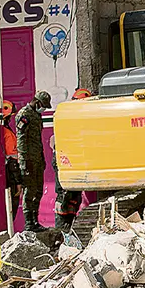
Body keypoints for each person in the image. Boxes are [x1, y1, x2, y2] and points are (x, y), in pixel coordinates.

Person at [52, 88, 91, 231]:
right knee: (64, 196)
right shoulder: (67, 117)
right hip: (65, 159)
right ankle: (60, 232)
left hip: (74, 160)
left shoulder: (77, 117)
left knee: (74, 197)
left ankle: (68, 229)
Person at [15, 91, 51, 232]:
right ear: (37, 102)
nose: (43, 108)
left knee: (38, 190)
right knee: (29, 191)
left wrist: (41, 158)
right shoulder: (24, 115)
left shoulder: (36, 115)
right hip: (28, 160)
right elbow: (21, 140)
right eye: (43, 105)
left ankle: (35, 220)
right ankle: (29, 223)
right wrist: (25, 161)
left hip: (37, 159)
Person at [2, 100, 22, 217]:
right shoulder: (7, 133)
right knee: (11, 209)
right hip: (10, 177)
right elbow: (12, 159)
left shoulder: (0, 131)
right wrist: (18, 182)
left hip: (4, 175)